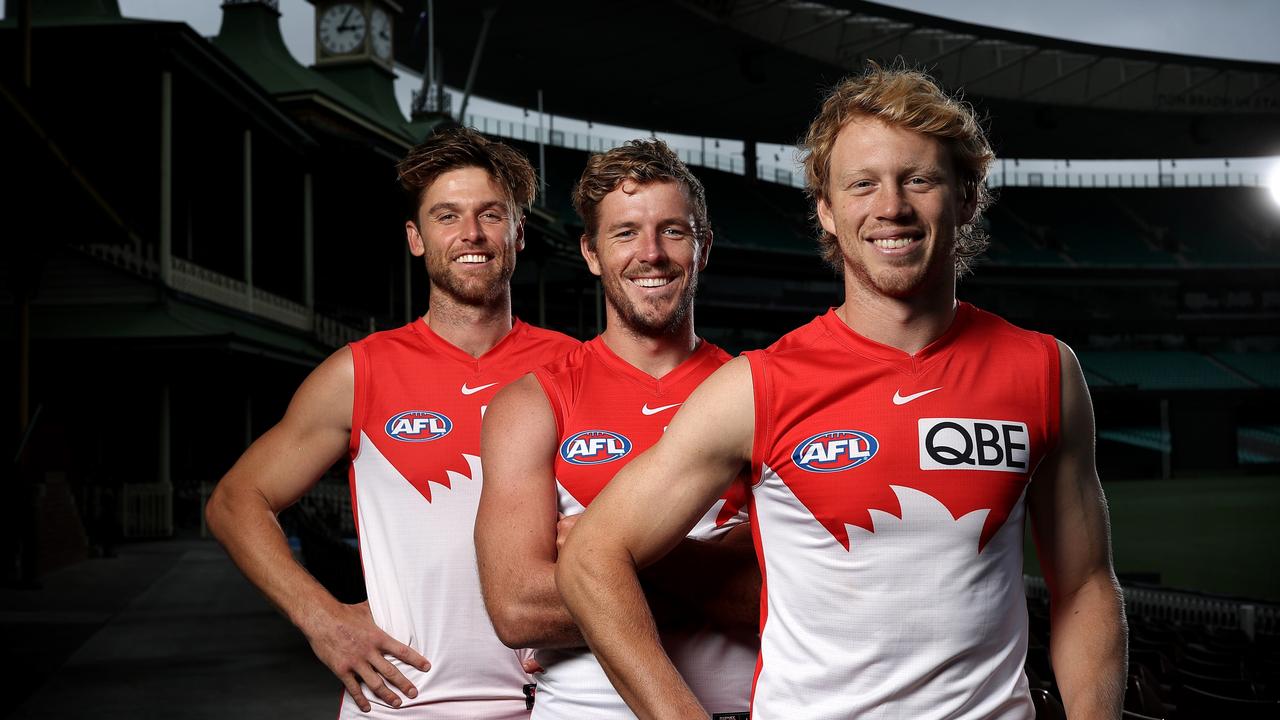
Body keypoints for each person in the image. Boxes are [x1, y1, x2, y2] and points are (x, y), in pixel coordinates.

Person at [557, 64, 1128, 719]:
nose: (892, 207)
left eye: (919, 179)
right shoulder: (755, 387)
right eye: (863, 184)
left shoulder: (1045, 371)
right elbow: (592, 558)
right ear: (827, 212)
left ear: (967, 196)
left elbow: (1084, 587)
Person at [206, 127, 579, 719]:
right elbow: (234, 501)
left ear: (519, 234)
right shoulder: (361, 372)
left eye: (490, 215)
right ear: (416, 237)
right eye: (446, 216)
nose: (471, 235)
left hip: (557, 701)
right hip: (405, 703)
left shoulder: (577, 366)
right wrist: (323, 620)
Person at [475, 139, 759, 720]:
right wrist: (714, 571)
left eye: (673, 231)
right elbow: (517, 609)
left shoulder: (758, 393)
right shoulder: (533, 402)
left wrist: (599, 558)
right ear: (592, 252)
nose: (650, 254)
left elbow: (789, 600)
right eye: (626, 233)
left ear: (702, 248)